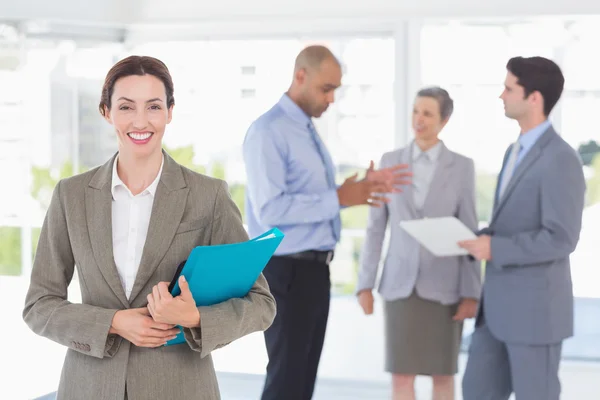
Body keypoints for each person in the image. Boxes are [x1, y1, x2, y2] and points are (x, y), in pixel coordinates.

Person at [23, 55, 276, 400]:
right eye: (126, 107)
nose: (140, 121)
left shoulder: (208, 196)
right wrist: (113, 322)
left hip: (180, 388)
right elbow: (39, 305)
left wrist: (195, 317)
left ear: (170, 112)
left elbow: (261, 304)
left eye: (153, 107)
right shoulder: (71, 196)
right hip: (90, 387)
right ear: (106, 111)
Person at [242, 45, 411, 400]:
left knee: (302, 382)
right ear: (300, 76)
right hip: (285, 273)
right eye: (326, 88)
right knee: (286, 380)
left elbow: (309, 197)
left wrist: (349, 190)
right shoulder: (268, 131)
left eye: (335, 89)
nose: (331, 99)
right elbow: (271, 210)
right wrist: (339, 198)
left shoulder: (306, 129)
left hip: (314, 273)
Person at [459, 56, 586, 400]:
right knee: (475, 391)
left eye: (509, 88)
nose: (501, 95)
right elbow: (513, 222)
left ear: (534, 98)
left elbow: (561, 238)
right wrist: (484, 239)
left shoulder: (562, 158)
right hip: (494, 312)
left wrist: (496, 249)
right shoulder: (511, 152)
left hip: (535, 316)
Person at [356, 87, 481, 400]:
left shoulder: (462, 167)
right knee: (401, 376)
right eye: (415, 111)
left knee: (442, 376)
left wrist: (471, 292)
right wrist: (364, 284)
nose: (419, 120)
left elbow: (469, 232)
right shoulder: (390, 161)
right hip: (400, 287)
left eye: (427, 113)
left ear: (444, 120)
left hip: (445, 289)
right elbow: (375, 229)